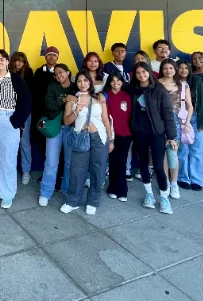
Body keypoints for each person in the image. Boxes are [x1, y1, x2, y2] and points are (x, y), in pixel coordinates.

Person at [0, 49, 32, 209]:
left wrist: (16, 122)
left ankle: (7, 194)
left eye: (3, 59)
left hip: (6, 119)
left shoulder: (15, 79)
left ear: (7, 62)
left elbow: (27, 100)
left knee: (7, 158)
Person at [127, 62, 177, 214]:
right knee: (143, 165)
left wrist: (172, 136)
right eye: (138, 73)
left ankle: (164, 197)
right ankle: (149, 194)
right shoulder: (133, 90)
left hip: (157, 133)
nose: (141, 75)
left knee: (158, 165)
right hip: (139, 133)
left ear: (149, 72)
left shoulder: (159, 90)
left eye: (144, 72)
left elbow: (168, 113)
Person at [60, 72, 112, 215]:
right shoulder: (72, 99)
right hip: (81, 138)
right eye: (79, 81)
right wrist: (76, 112)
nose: (82, 84)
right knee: (77, 170)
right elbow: (66, 121)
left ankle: (93, 201)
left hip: (99, 138)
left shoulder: (99, 98)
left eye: (85, 81)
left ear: (90, 83)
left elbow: (106, 119)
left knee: (98, 170)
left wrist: (110, 139)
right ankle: (72, 201)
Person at [38, 63, 76, 206]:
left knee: (69, 162)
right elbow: (48, 104)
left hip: (71, 128)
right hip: (54, 127)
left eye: (62, 72)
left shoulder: (75, 86)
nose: (60, 75)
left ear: (68, 72)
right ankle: (46, 193)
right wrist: (64, 99)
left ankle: (66, 190)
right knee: (51, 162)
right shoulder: (52, 86)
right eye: (57, 74)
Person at [157, 58, 193, 199]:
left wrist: (187, 122)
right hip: (160, 121)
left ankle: (174, 183)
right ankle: (165, 182)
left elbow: (190, 105)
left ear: (175, 69)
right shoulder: (157, 84)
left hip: (177, 122)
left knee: (173, 153)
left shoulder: (183, 85)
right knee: (163, 154)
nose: (168, 71)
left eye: (171, 68)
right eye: (165, 68)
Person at [175, 60, 203, 191]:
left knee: (197, 149)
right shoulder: (174, 82)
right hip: (179, 118)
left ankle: (197, 179)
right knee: (182, 149)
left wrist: (202, 122)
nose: (183, 70)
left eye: (185, 67)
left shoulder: (197, 81)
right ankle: (183, 177)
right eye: (180, 68)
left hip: (195, 118)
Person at [105, 73, 133, 202]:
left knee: (121, 162)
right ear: (109, 82)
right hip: (111, 134)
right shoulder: (105, 96)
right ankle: (112, 188)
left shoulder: (127, 96)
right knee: (113, 161)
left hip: (126, 134)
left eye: (118, 80)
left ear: (122, 82)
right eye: (113, 80)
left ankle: (122, 190)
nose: (116, 83)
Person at [9, 51, 35, 184]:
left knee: (24, 143)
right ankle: (10, 170)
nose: (19, 63)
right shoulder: (7, 74)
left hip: (24, 112)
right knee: (9, 143)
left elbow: (29, 96)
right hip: (9, 113)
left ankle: (26, 170)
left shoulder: (28, 73)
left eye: (22, 61)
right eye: (17, 60)